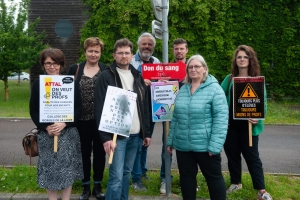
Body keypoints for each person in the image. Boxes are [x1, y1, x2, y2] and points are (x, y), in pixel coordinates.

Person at [94, 38, 151, 200]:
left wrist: (146, 133)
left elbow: (144, 107)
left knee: (126, 173)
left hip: (135, 134)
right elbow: (99, 108)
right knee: (116, 177)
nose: (124, 56)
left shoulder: (138, 76)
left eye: (127, 53)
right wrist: (105, 138)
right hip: (116, 136)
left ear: (132, 55)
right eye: (120, 53)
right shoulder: (106, 76)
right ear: (114, 55)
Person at [166, 54, 228, 200]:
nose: (193, 69)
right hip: (183, 146)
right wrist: (170, 141)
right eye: (190, 67)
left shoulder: (215, 89)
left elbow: (221, 119)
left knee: (214, 179)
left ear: (204, 69)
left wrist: (215, 145)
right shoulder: (183, 89)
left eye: (197, 66)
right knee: (186, 180)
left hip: (205, 147)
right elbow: (175, 117)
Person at [30, 48, 83, 200]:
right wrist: (46, 127)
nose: (52, 66)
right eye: (48, 63)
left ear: (61, 64)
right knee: (49, 169)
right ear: (43, 65)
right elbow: (34, 111)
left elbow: (78, 109)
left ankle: (66, 198)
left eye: (55, 63)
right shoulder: (37, 85)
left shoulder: (70, 83)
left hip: (67, 133)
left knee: (67, 168)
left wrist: (64, 123)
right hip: (47, 134)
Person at [220, 45, 272, 200]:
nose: (242, 60)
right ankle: (236, 183)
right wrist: (223, 119)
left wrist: (259, 117)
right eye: (239, 57)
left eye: (245, 57)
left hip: (249, 126)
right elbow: (219, 98)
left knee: (252, 156)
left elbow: (263, 104)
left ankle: (261, 191)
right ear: (235, 60)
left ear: (251, 60)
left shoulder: (256, 81)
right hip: (230, 126)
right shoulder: (229, 79)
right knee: (232, 155)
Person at [67, 37, 107, 200]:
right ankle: (85, 187)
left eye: (96, 51)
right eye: (90, 50)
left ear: (100, 53)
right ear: (85, 52)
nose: (93, 54)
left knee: (99, 154)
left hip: (100, 121)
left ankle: (97, 186)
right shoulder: (74, 69)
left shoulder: (106, 70)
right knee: (83, 154)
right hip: (80, 121)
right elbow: (65, 93)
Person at [159, 38, 190, 194]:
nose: (179, 51)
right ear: (173, 51)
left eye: (182, 49)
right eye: (176, 49)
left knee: (188, 149)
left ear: (186, 51)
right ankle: (165, 179)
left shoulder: (192, 68)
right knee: (167, 148)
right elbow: (159, 88)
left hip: (187, 115)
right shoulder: (167, 68)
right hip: (169, 114)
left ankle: (189, 180)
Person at [130, 32, 160, 192]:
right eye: (144, 44)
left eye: (150, 45)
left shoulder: (157, 62)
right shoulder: (131, 62)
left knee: (145, 143)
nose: (147, 47)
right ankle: (135, 178)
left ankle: (142, 172)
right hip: (135, 111)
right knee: (136, 144)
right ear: (138, 46)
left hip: (152, 109)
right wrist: (141, 80)